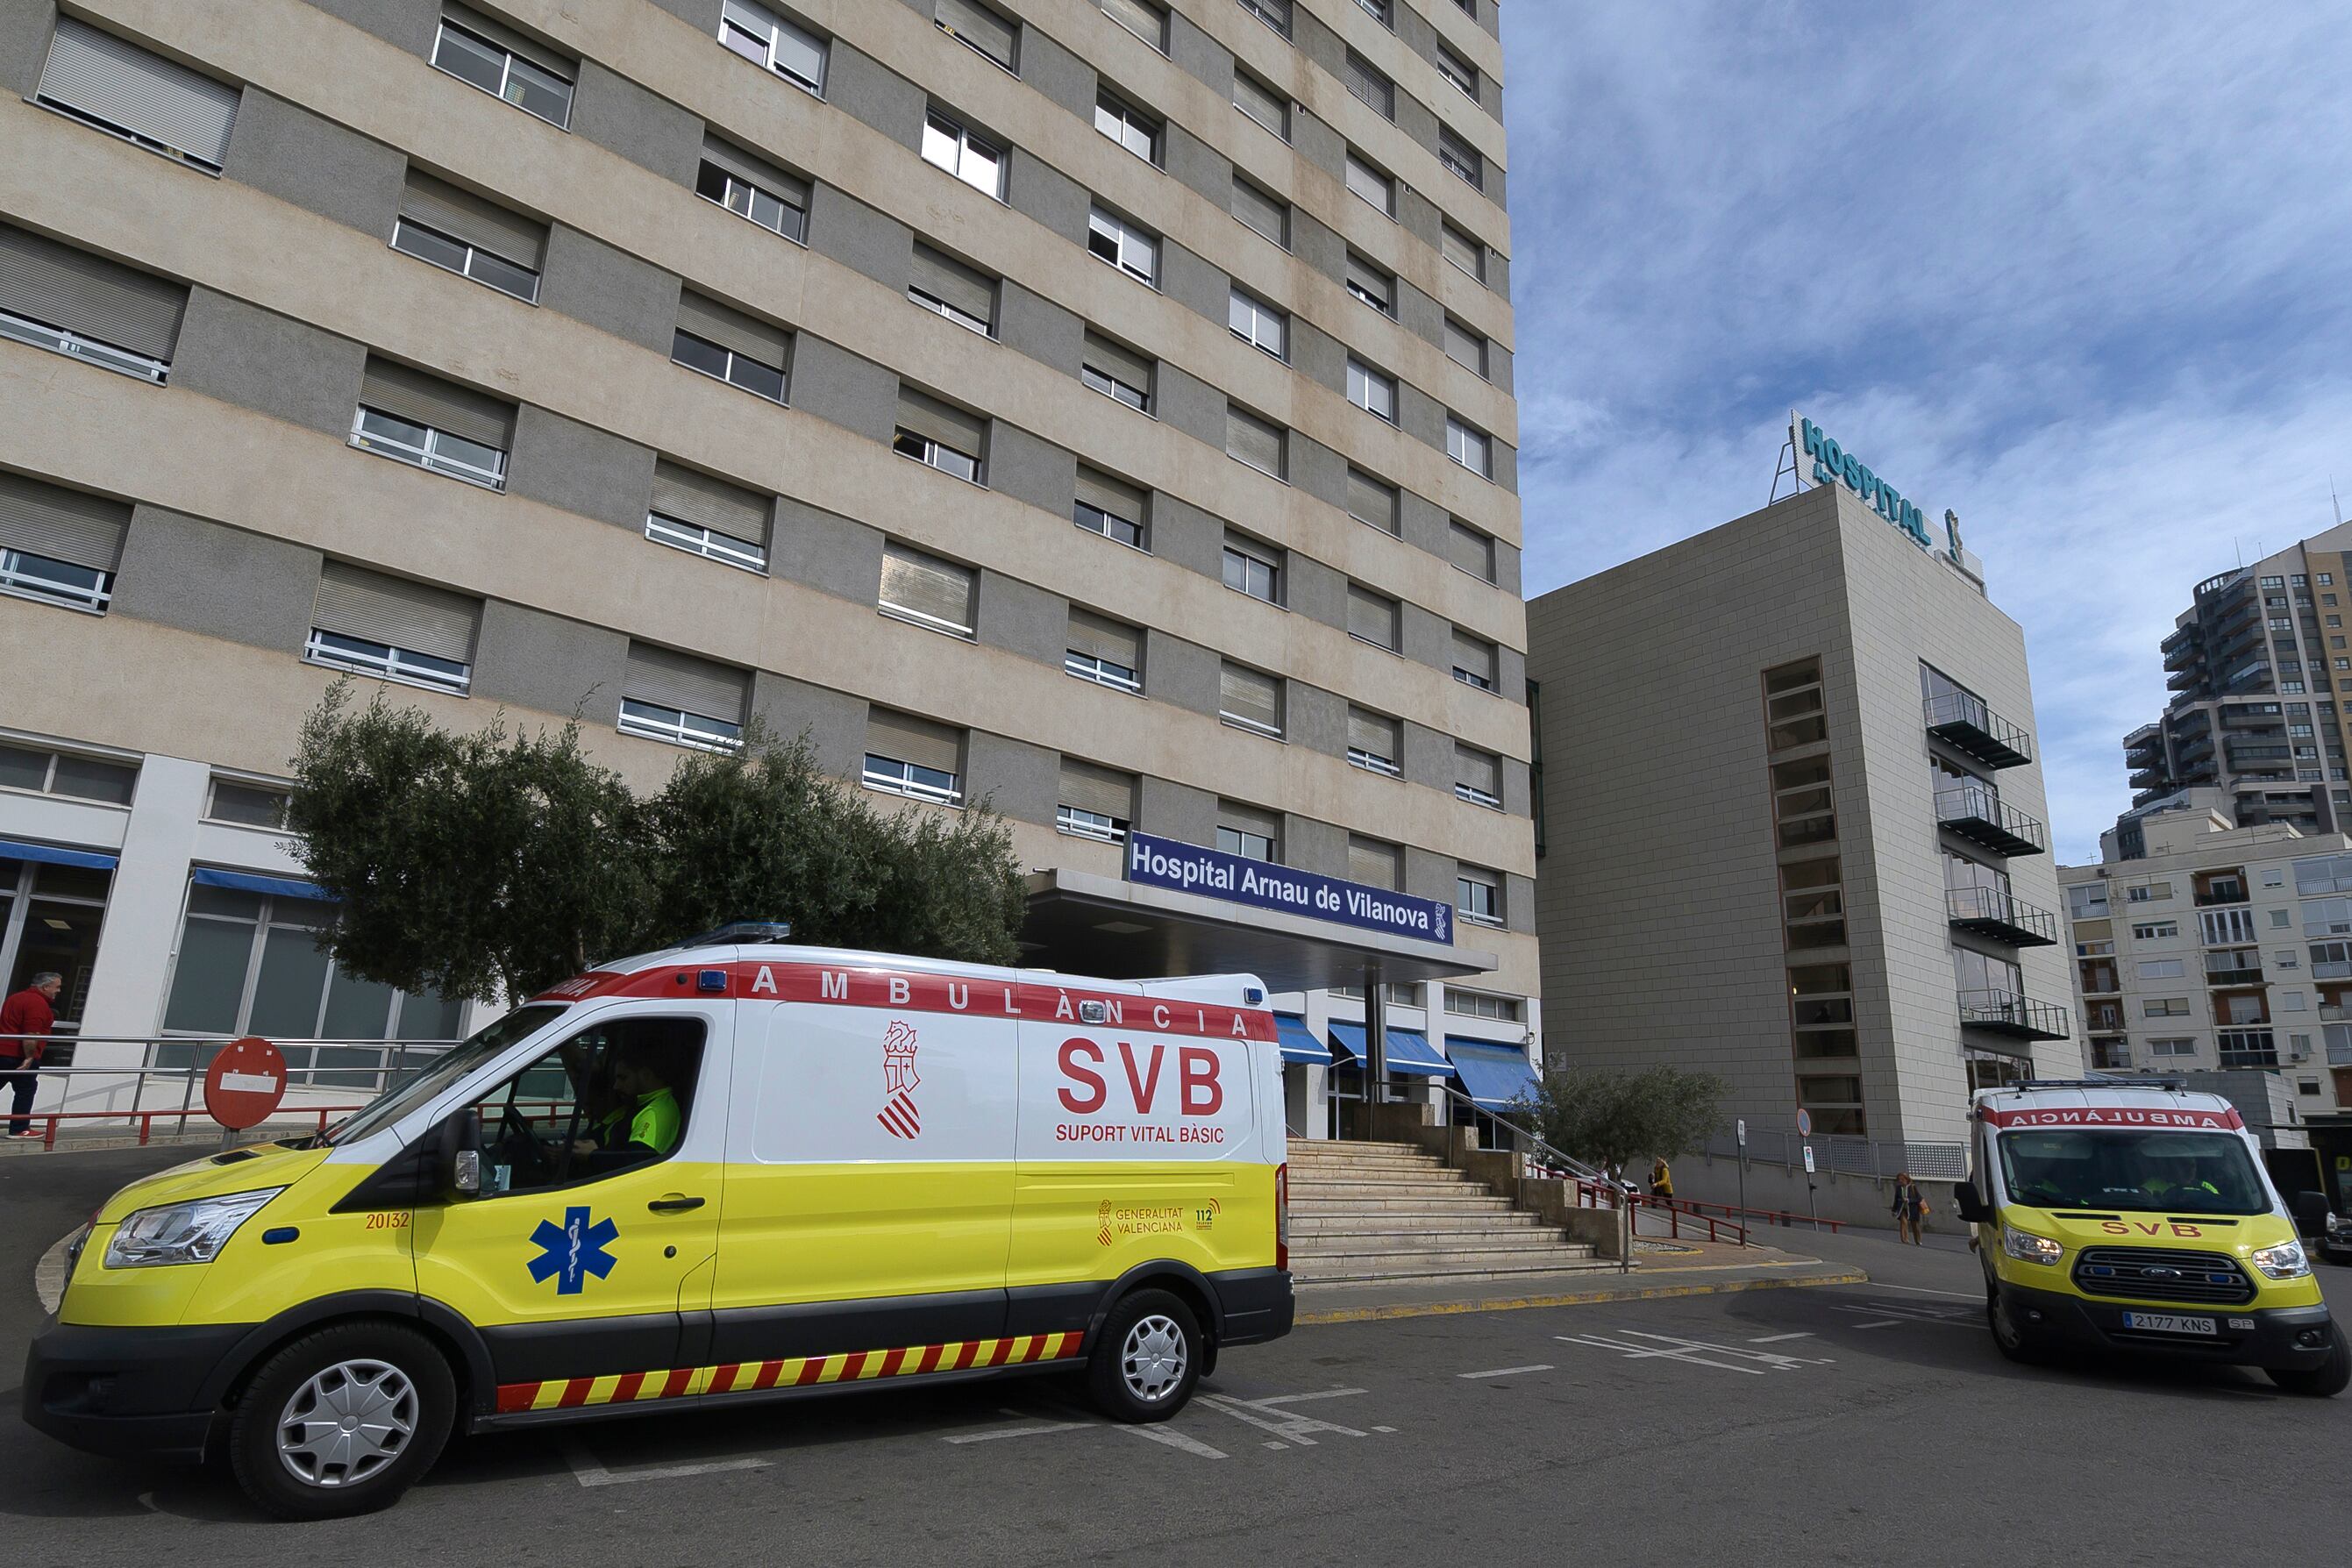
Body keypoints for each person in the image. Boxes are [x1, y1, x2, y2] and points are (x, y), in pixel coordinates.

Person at [571, 1045, 682, 1166]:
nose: (616, 1086)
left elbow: (637, 1162)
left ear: (646, 1075)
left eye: (623, 1078)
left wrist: (594, 1155)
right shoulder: (635, 1106)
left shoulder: (657, 1111)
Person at [0, 973, 62, 1138]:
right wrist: (29, 1056)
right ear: (45, 987)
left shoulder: (15, 998)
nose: (59, 990)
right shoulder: (37, 1003)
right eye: (56, 987)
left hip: (3, 1052)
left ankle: (19, 1127)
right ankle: (19, 1128)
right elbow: (31, 1032)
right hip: (19, 1056)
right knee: (26, 1090)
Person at [1891, 1172, 1928, 1244]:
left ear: (1907, 1179)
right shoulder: (1898, 1188)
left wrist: (1909, 1200)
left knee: (1915, 1225)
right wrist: (1894, 1210)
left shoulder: (1912, 1187)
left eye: (1902, 1179)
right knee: (1903, 1222)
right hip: (1902, 1208)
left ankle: (1918, 1240)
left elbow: (1919, 1198)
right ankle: (1904, 1239)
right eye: (1899, 1179)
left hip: (1913, 1209)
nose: (1900, 1181)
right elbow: (1896, 1199)